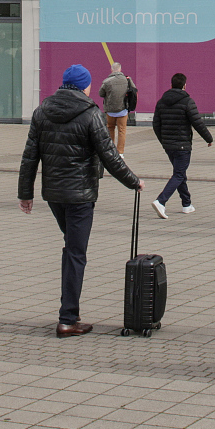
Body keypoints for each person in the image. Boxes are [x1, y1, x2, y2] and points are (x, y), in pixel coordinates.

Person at [17, 64, 141, 336]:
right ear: (84, 86)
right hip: (80, 196)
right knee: (76, 253)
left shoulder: (42, 111)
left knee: (71, 247)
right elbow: (110, 156)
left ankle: (69, 310)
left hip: (54, 195)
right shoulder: (90, 114)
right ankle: (67, 319)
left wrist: (25, 194)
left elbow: (30, 156)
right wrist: (135, 182)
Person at [149, 71, 212, 218]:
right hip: (183, 146)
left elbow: (156, 124)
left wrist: (163, 140)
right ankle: (161, 201)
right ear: (184, 85)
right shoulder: (187, 101)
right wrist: (208, 138)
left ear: (171, 85)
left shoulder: (161, 101)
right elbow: (197, 122)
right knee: (178, 174)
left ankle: (186, 204)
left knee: (180, 173)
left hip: (168, 146)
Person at [100, 61, 134, 156]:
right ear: (120, 69)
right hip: (123, 109)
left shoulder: (107, 81)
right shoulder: (127, 80)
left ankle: (111, 151)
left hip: (110, 110)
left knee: (110, 129)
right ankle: (120, 152)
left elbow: (101, 93)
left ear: (111, 70)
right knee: (122, 130)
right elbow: (134, 90)